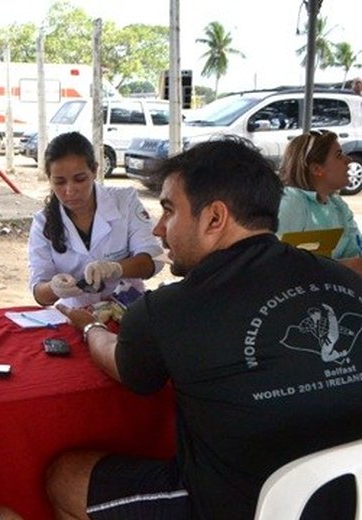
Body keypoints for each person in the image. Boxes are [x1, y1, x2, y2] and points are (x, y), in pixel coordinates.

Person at [45, 137, 362, 520]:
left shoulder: (169, 309)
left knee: (65, 476)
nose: (160, 229)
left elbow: (123, 364)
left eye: (168, 211)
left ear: (215, 218)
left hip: (241, 505)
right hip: (351, 499)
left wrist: (91, 326)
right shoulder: (346, 282)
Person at [27, 131, 163, 308]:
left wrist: (115, 268)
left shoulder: (125, 201)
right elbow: (39, 293)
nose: (70, 190)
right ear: (49, 179)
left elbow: (154, 259)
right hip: (74, 314)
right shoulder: (42, 222)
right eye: (59, 182)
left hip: (127, 309)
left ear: (95, 170)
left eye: (80, 179)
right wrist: (54, 288)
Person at [277, 130, 362, 275]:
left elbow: (355, 254)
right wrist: (344, 267)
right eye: (339, 155)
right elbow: (275, 262)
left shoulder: (337, 204)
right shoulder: (292, 202)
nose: (348, 160)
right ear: (316, 169)